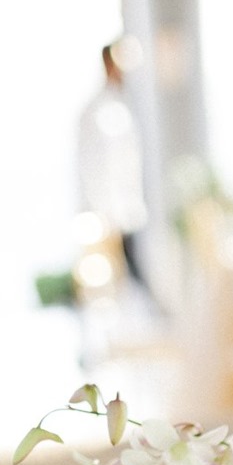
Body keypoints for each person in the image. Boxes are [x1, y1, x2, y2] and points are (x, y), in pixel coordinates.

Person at [77, 43, 148, 290]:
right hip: (106, 213)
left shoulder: (120, 106)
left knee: (132, 280)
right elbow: (92, 166)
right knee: (114, 281)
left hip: (125, 210)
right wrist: (100, 212)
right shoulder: (96, 111)